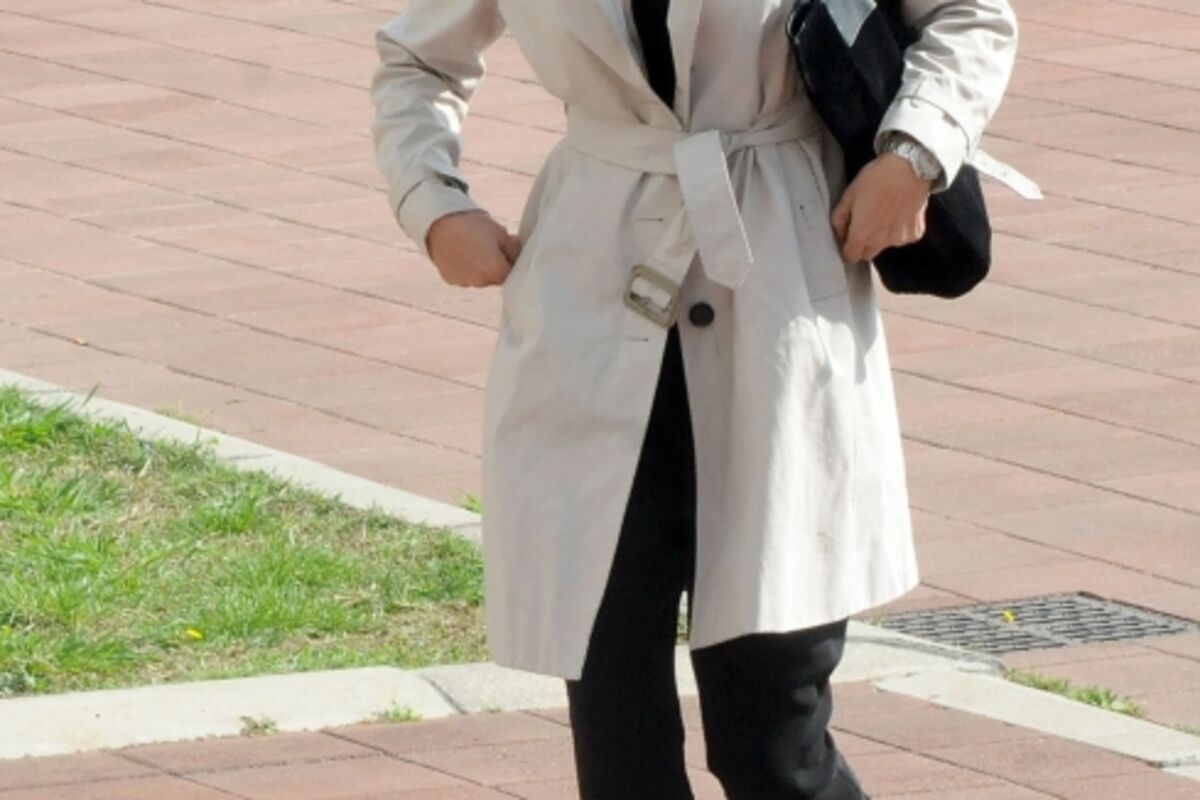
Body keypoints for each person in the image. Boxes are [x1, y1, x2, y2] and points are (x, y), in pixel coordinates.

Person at [370, 1, 1018, 797]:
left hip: (776, 304)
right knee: (620, 749)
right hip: (590, 309)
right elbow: (417, 60)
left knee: (773, 743)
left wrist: (916, 152)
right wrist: (435, 204)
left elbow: (970, 15)